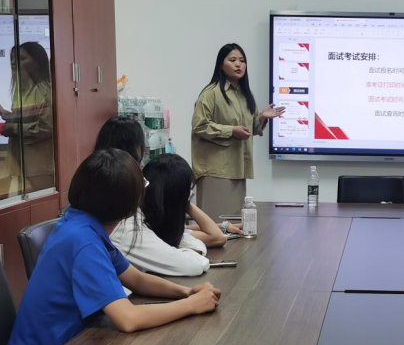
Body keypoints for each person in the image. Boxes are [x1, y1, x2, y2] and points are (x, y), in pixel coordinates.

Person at [0, 149, 222, 345]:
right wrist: (190, 306)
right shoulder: (84, 242)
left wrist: (186, 293)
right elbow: (128, 319)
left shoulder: (81, 223)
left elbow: (136, 279)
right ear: (129, 206)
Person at [95, 117, 242, 242]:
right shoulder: (131, 189)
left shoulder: (101, 181)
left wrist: (221, 226)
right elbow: (215, 238)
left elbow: (162, 227)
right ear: (134, 148)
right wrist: (185, 199)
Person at [191, 43, 285, 217]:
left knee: (234, 224)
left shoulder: (245, 94)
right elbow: (200, 126)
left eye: (242, 61)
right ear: (221, 64)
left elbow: (250, 128)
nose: (238, 64)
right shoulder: (211, 93)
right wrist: (231, 131)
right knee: (217, 223)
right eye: (232, 60)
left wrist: (261, 118)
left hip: (238, 167)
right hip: (215, 171)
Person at [110, 154, 229, 276]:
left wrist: (182, 199)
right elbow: (195, 264)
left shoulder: (150, 219)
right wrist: (184, 201)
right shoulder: (132, 230)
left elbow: (205, 240)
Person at [0, 42, 54, 196]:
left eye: (21, 59)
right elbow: (29, 118)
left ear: (37, 62)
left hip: (38, 165)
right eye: (12, 59)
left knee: (40, 204)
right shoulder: (22, 91)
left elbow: (47, 127)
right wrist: (5, 114)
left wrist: (14, 128)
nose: (14, 63)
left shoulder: (43, 90)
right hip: (22, 162)